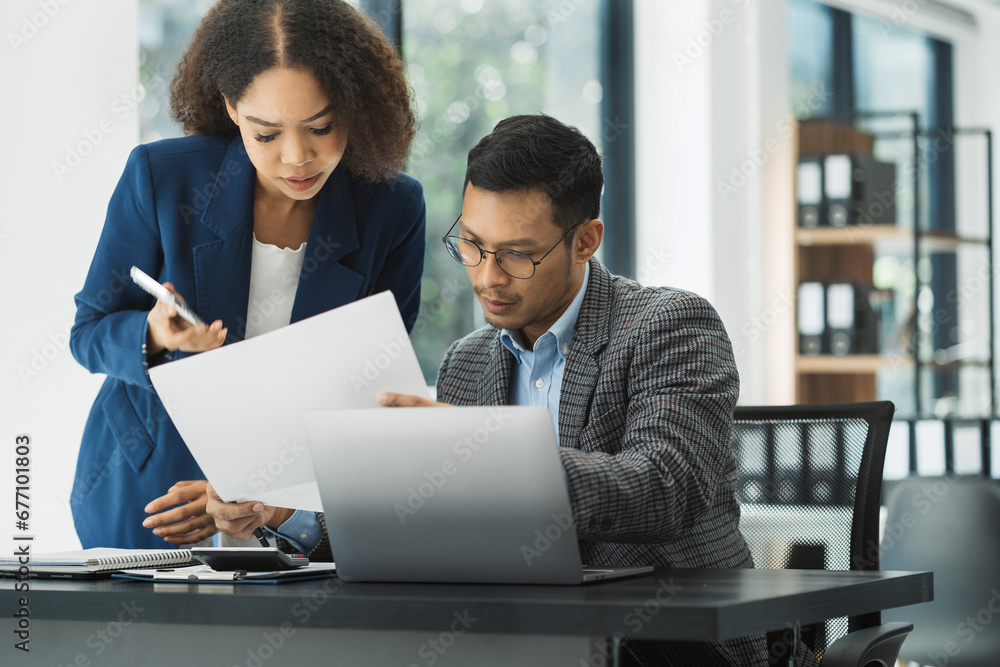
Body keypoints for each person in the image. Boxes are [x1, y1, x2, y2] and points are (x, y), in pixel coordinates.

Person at [206, 114, 784, 666]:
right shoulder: (468, 361)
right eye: (473, 245)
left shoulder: (670, 324)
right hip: (514, 640)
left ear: (586, 240)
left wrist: (488, 456)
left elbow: (665, 486)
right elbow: (422, 522)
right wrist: (285, 512)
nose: (486, 275)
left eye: (517, 255)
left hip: (668, 643)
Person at [69, 0, 425, 550]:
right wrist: (155, 339)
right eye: (266, 134)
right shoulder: (162, 179)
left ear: (354, 106)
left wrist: (264, 496)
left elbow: (370, 389)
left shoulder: (393, 208)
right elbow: (88, 331)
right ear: (232, 108)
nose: (296, 158)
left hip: (293, 508)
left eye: (321, 127)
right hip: (152, 491)